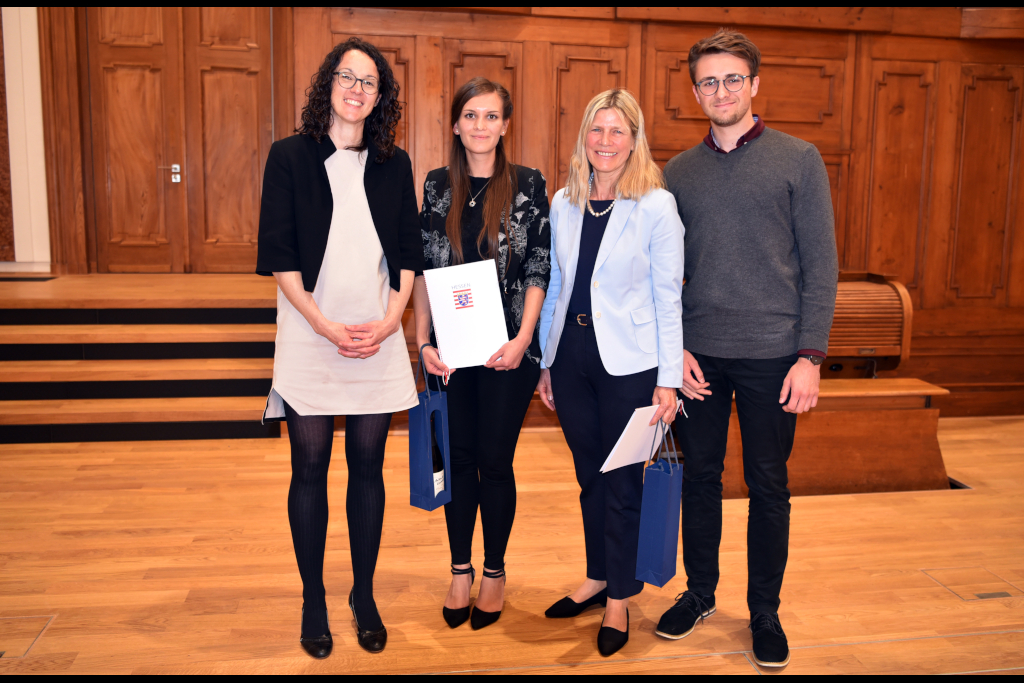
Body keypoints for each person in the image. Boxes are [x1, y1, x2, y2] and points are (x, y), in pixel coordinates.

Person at [655, 29, 838, 669]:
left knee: (768, 486)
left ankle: (764, 611)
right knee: (700, 478)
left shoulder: (799, 158)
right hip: (700, 356)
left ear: (755, 84)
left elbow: (822, 265)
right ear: (695, 92)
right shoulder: (677, 172)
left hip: (774, 355)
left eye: (733, 78)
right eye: (709, 81)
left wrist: (810, 357)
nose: (721, 90)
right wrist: (673, 351)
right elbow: (663, 274)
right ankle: (700, 593)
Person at [255, 37, 424, 658]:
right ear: (328, 85)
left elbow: (408, 253)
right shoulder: (289, 156)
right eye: (347, 77)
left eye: (369, 82)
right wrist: (323, 325)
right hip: (310, 333)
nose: (356, 89)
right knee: (309, 469)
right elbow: (278, 255)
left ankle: (364, 595)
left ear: (381, 98)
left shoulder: (394, 164)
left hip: (376, 335)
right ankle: (313, 599)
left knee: (368, 469)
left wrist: (392, 320)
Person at [537, 89, 684, 656]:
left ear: (634, 139)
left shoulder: (656, 206)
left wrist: (668, 379)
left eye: (617, 131)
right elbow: (557, 284)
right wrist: (546, 361)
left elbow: (668, 297)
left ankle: (620, 596)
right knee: (589, 475)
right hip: (571, 358)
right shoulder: (564, 201)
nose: (605, 141)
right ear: (584, 138)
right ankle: (598, 575)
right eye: (596, 130)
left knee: (622, 480)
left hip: (631, 364)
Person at [413, 77, 551, 631]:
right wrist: (422, 342)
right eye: (471, 115)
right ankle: (460, 571)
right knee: (459, 460)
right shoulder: (436, 185)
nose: (480, 125)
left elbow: (539, 267)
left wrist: (523, 341)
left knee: (495, 461)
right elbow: (424, 269)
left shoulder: (528, 184)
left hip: (507, 351)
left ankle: (494, 572)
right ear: (455, 124)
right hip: (451, 355)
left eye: (491, 116)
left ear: (505, 125)